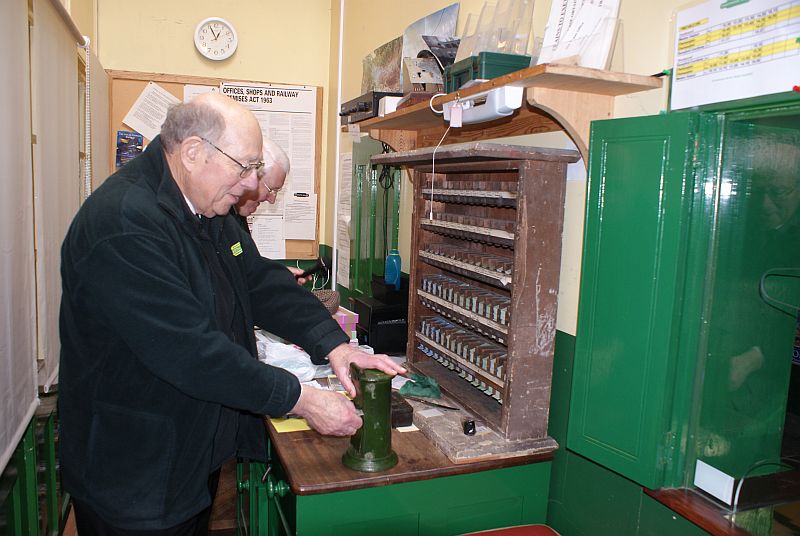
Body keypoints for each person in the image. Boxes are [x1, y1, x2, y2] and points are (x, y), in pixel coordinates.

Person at [58, 92, 405, 534]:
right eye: (243, 167)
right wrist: (299, 399)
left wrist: (336, 346)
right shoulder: (124, 224)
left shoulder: (205, 209)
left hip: (184, 449)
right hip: (134, 466)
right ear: (193, 152)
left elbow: (258, 281)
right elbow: (189, 351)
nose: (249, 185)